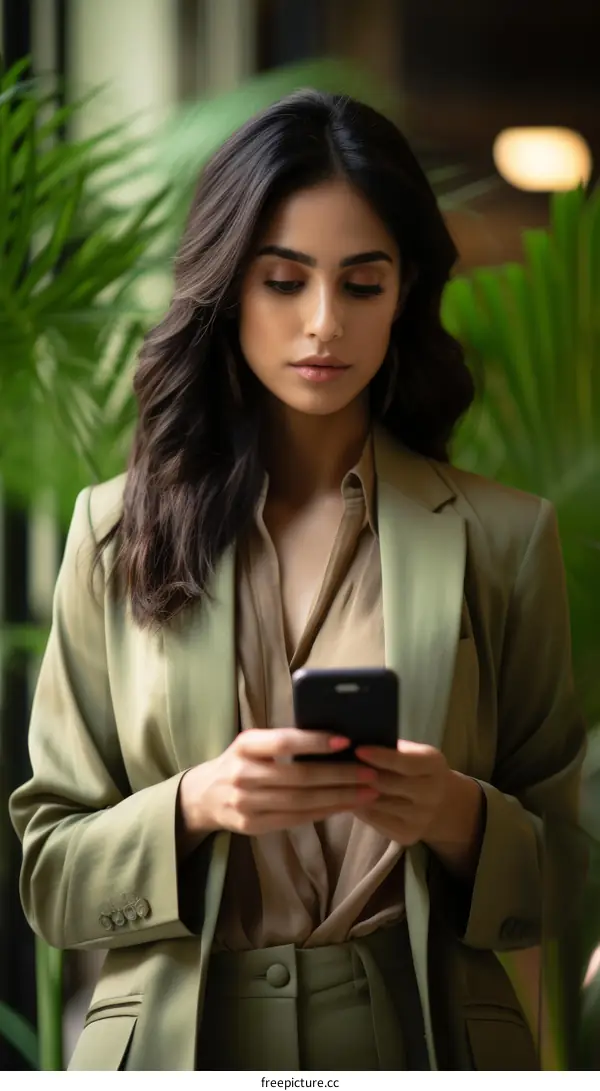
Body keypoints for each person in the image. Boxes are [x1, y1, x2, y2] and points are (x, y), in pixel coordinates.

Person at [9, 89, 585, 1072]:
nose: (324, 323)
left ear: (404, 293)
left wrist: (454, 813)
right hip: (180, 1048)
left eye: (362, 285)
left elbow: (571, 872)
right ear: (229, 286)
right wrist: (197, 802)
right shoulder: (114, 532)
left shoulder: (504, 537)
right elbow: (50, 876)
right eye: (284, 281)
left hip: (419, 1040)